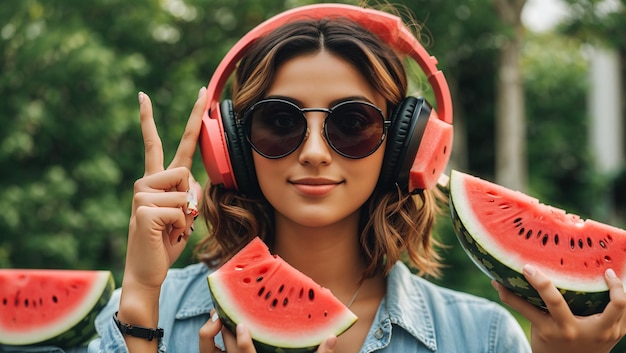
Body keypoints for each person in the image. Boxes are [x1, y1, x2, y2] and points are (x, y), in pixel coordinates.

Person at [28, 3, 625, 353]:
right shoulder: (148, 313)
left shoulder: (483, 336)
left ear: (408, 148)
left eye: (355, 124)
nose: (314, 152)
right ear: (232, 147)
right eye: (280, 123)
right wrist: (138, 297)